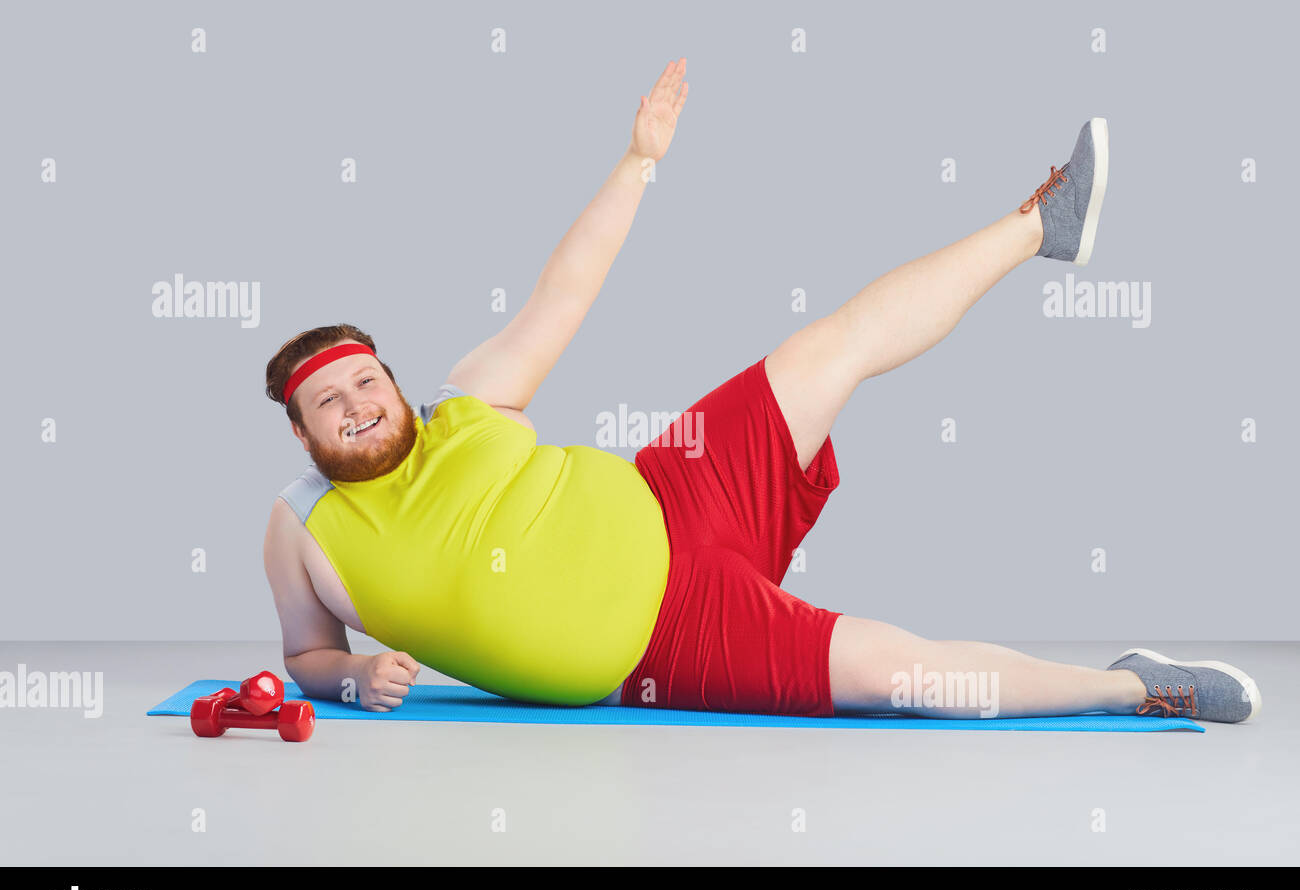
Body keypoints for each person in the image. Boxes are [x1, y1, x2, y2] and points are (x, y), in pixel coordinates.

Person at [263, 58, 1260, 723]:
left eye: (366, 382)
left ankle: (1041, 224)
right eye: (330, 404)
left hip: (676, 489)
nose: (358, 405)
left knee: (830, 345)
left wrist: (639, 161)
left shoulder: (466, 401)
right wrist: (349, 674)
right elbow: (306, 655)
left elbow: (564, 291)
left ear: (393, 381)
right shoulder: (301, 529)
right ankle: (1135, 687)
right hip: (672, 637)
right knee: (895, 673)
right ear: (303, 431)